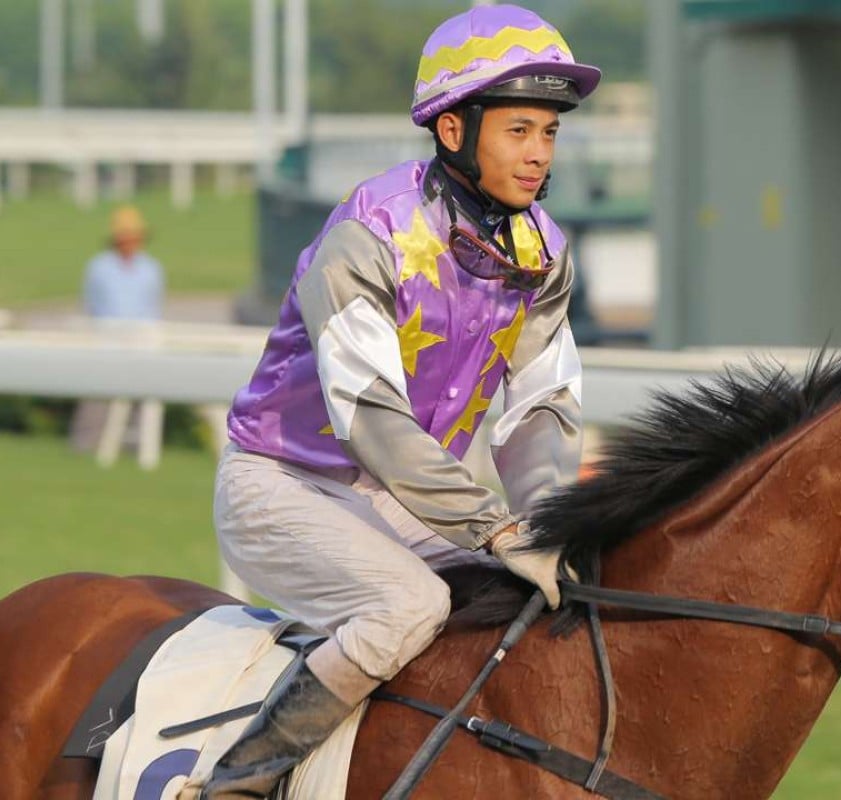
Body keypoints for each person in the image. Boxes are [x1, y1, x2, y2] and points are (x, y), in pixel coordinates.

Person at [203, 5, 600, 796]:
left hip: (399, 501)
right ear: (454, 130)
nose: (538, 154)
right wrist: (494, 526)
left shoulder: (544, 251)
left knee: (519, 595)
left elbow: (538, 410)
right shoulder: (372, 230)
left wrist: (549, 526)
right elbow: (370, 418)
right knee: (409, 606)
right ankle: (242, 780)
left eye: (549, 133)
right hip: (279, 486)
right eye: (518, 130)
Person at [71, 205, 166, 466]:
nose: (130, 240)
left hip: (142, 340)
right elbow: (92, 305)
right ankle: (84, 445)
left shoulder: (151, 268)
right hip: (107, 339)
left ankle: (131, 448)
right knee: (97, 396)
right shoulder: (99, 267)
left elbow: (153, 307)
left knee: (140, 399)